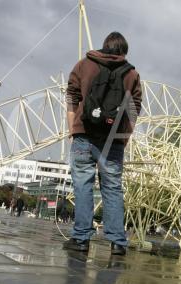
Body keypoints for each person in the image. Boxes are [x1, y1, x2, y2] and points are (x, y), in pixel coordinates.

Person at [63, 32, 142, 256]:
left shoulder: (83, 65)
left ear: (104, 46)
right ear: (124, 51)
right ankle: (117, 242)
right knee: (112, 188)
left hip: (84, 133)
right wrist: (124, 137)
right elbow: (134, 110)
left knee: (83, 185)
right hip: (113, 139)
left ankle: (81, 239)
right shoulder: (132, 74)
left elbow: (72, 97)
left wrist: (73, 128)